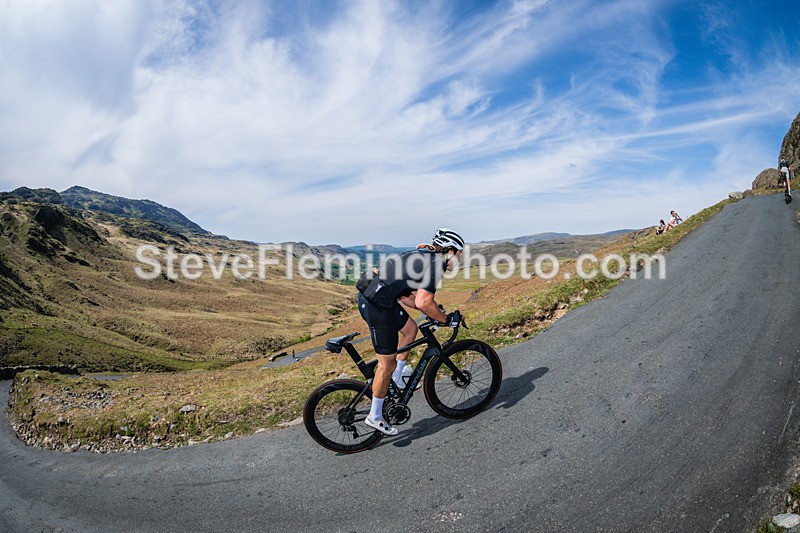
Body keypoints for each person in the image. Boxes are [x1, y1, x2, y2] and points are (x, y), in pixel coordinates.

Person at [356, 228, 465, 436]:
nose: (460, 258)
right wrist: (447, 319)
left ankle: (396, 379)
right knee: (385, 363)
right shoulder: (436, 264)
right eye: (459, 253)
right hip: (376, 305)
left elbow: (409, 298)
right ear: (450, 251)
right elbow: (424, 302)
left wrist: (435, 314)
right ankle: (375, 416)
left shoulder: (423, 256)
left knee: (410, 329)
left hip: (378, 298)